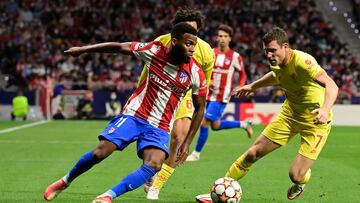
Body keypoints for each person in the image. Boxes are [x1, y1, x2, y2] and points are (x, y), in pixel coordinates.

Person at [43, 22, 207, 203]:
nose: (192, 49)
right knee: (100, 153)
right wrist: (83, 49)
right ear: (174, 41)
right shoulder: (154, 50)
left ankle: (107, 196)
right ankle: (65, 181)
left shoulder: (195, 72)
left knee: (154, 164)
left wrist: (187, 142)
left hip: (160, 126)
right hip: (135, 115)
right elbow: (119, 47)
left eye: (194, 45)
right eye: (189, 44)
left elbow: (200, 108)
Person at [196, 27, 338, 202]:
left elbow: (332, 85)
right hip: (290, 115)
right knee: (252, 153)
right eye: (266, 51)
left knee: (295, 175)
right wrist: (252, 86)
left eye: (273, 50)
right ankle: (221, 190)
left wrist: (324, 109)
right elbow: (276, 75)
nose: (269, 55)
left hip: (315, 122)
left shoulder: (303, 62)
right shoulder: (277, 63)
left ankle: (302, 182)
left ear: (285, 46)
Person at [143, 7, 215, 200]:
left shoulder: (206, 52)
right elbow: (147, 72)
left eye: (193, 30)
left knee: (180, 137)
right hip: (158, 93)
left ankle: (156, 186)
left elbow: (203, 86)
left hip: (183, 96)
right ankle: (150, 169)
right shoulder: (161, 41)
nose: (189, 35)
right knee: (152, 140)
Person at [186, 24, 253, 162]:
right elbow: (203, 69)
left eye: (225, 36)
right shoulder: (212, 52)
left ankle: (196, 154)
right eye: (220, 36)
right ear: (217, 38)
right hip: (208, 93)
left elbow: (242, 74)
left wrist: (241, 87)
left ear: (230, 39)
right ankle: (244, 124)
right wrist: (206, 80)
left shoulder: (235, 56)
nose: (222, 39)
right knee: (215, 126)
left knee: (204, 121)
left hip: (222, 96)